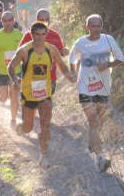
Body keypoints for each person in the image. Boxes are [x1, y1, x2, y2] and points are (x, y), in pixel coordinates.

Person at [8, 21, 76, 167]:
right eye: (36, 34)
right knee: (29, 127)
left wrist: (69, 76)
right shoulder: (24, 50)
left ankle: (43, 155)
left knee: (45, 125)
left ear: (46, 35)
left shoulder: (51, 49)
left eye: (43, 34)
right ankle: (21, 128)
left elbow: (61, 65)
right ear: (31, 35)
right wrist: (15, 79)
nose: (39, 37)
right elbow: (11, 66)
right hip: (28, 94)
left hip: (44, 93)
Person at [69, 14, 124, 171]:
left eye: (98, 25)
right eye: (92, 26)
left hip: (103, 87)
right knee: (94, 121)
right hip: (85, 87)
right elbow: (72, 59)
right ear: (87, 27)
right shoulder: (81, 43)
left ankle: (92, 142)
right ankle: (100, 158)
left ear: (102, 26)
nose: (95, 29)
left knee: (98, 122)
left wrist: (107, 64)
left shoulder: (108, 40)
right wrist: (73, 73)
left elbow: (121, 59)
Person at [19, 9, 69, 95]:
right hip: (31, 78)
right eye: (41, 20)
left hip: (50, 78)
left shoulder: (55, 35)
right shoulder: (28, 35)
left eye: (46, 20)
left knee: (45, 104)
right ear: (37, 20)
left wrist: (64, 51)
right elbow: (19, 54)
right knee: (36, 104)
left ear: (50, 21)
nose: (44, 22)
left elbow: (60, 53)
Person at [0, 11, 23, 124]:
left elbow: (25, 50)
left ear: (13, 21)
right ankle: (0, 91)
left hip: (16, 71)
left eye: (9, 20)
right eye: (5, 21)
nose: (7, 23)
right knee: (2, 98)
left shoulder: (19, 35)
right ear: (1, 22)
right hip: (1, 71)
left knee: (14, 96)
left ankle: (13, 119)